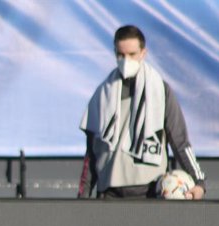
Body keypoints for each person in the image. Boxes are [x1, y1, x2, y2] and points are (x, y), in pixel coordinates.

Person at [77, 25, 206, 199]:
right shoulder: (101, 94)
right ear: (115, 53)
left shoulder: (160, 90)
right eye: (121, 55)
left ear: (143, 53)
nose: (126, 61)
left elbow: (179, 141)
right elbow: (92, 153)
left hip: (148, 191)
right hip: (109, 193)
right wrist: (82, 196)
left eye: (132, 55)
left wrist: (199, 182)